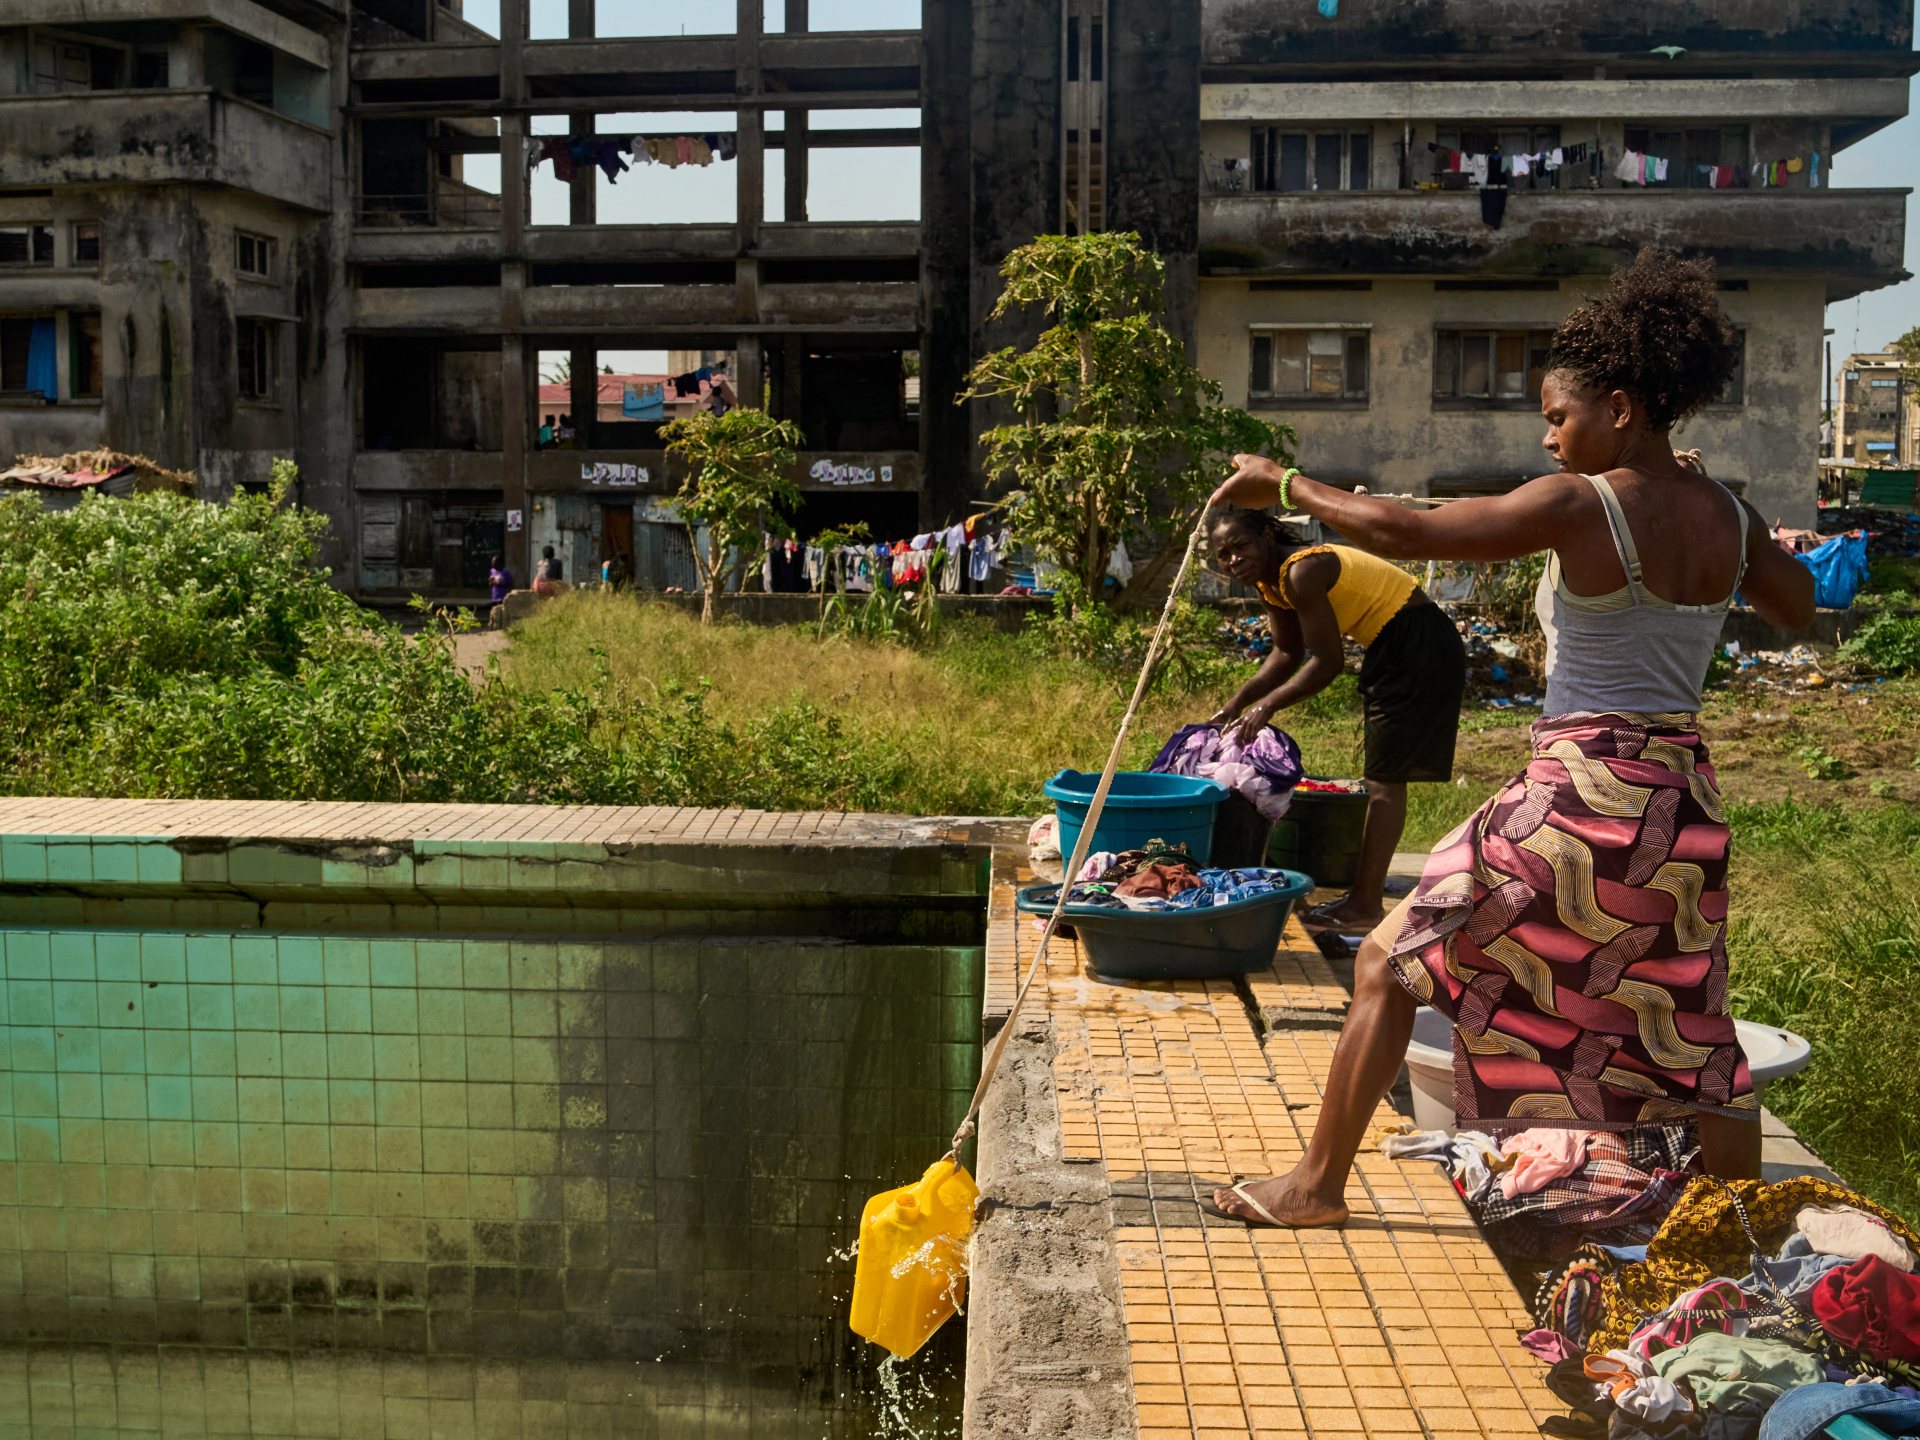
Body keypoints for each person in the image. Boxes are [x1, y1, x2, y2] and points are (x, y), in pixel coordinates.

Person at [1204, 248, 1814, 1230]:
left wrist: (1290, 484)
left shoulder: (1582, 502)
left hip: (1578, 789)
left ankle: (1313, 1189)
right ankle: (1736, 1241)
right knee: (1694, 1031)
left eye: (1559, 415)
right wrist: (1727, 513)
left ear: (1620, 405)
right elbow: (1798, 601)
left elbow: (1408, 528)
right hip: (1680, 805)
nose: (1549, 435)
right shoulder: (1727, 513)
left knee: (1390, 962)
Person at [1205, 509, 1466, 929]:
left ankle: (1364, 904)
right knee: (1383, 778)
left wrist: (1267, 706)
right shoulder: (1272, 582)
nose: (1233, 559)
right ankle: (1361, 897)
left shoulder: (1302, 570)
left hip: (1417, 642)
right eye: (1223, 554)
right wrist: (1236, 703)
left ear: (1268, 536)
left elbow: (1327, 662)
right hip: (1397, 643)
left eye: (1241, 546)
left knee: (1384, 783)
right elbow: (1287, 653)